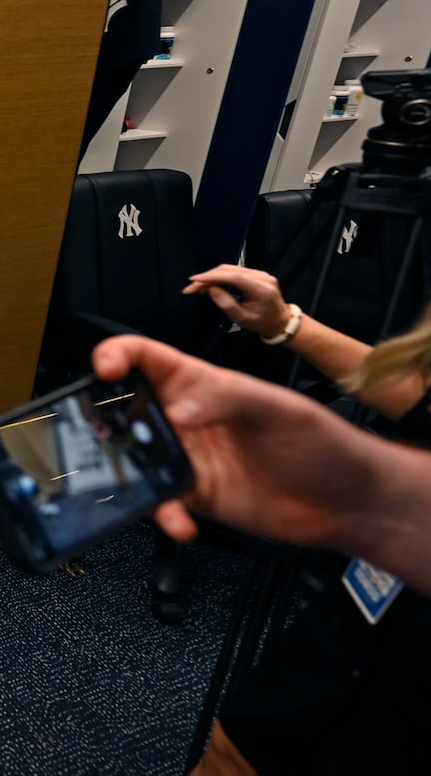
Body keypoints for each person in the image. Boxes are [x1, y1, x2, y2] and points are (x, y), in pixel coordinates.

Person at [146, 265, 431, 774]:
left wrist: (361, 493)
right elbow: (421, 396)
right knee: (234, 752)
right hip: (366, 605)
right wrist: (285, 323)